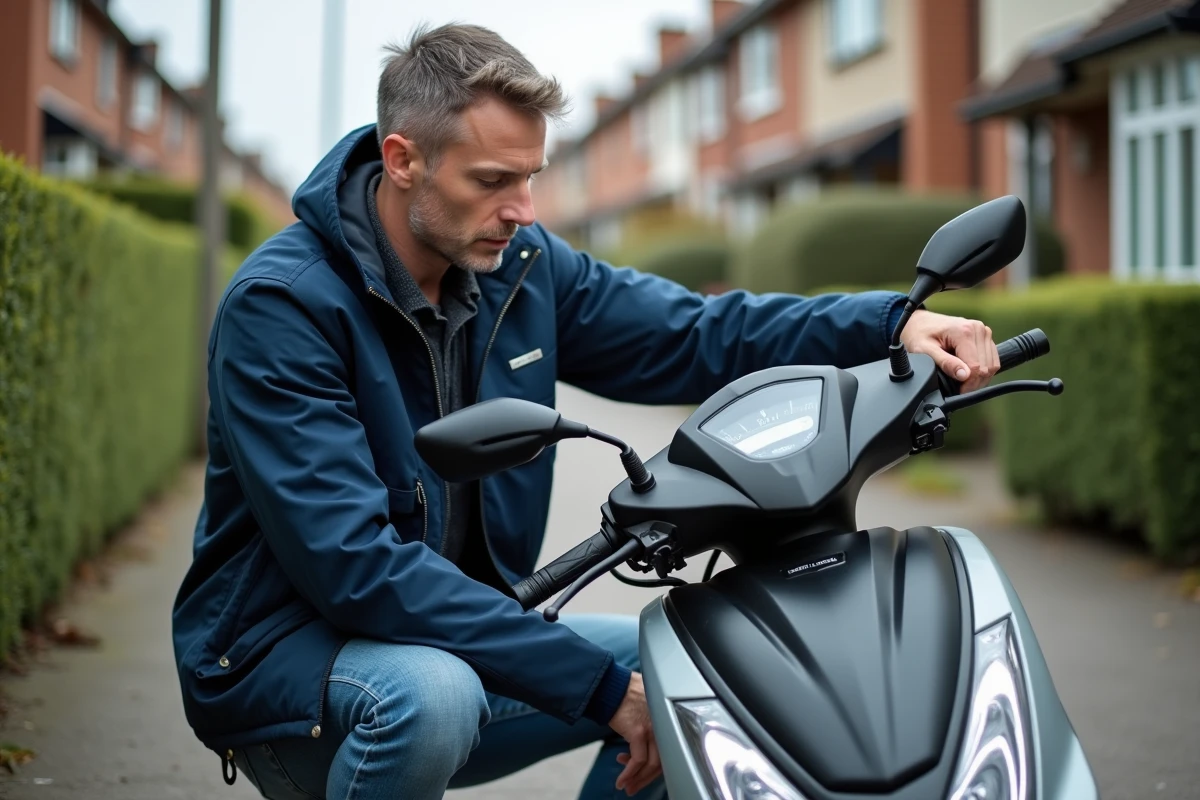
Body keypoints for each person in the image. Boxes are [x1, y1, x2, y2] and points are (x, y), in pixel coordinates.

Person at [171, 21, 1001, 800]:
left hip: (454, 642)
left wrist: (889, 324)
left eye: (530, 178)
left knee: (704, 669)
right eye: (493, 182)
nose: (523, 210)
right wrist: (600, 690)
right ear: (402, 159)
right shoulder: (281, 307)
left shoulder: (521, 266)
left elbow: (697, 333)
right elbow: (355, 568)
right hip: (293, 670)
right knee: (437, 695)